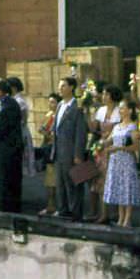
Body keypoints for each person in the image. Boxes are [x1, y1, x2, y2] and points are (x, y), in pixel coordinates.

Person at [51, 77, 87, 221]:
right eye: (60, 86)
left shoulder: (77, 106)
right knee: (60, 182)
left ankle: (75, 212)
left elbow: (80, 132)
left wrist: (78, 154)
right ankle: (63, 209)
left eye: (63, 86)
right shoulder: (60, 105)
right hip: (59, 150)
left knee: (73, 182)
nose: (60, 89)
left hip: (71, 150)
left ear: (71, 87)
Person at [102, 100, 140, 227]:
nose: (120, 110)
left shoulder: (133, 127)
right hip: (115, 161)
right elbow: (108, 141)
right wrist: (100, 144)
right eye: (120, 108)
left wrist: (118, 148)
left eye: (123, 108)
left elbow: (135, 147)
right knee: (119, 187)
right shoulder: (116, 127)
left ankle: (127, 219)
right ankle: (120, 218)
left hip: (126, 160)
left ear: (130, 110)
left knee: (127, 188)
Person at [0, 79, 24, 213]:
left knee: (8, 177)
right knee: (1, 177)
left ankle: (9, 207)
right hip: (3, 147)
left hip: (10, 147)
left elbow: (3, 128)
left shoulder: (9, 104)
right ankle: (1, 204)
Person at [90, 85, 122, 224]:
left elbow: (120, 130)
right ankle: (97, 212)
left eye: (105, 94)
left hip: (113, 147)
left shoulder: (119, 111)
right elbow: (93, 128)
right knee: (97, 179)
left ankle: (110, 213)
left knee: (109, 179)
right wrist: (89, 113)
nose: (103, 97)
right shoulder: (101, 110)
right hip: (100, 147)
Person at [6, 77, 35, 177]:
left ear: (13, 88)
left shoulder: (19, 101)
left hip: (19, 130)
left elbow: (22, 119)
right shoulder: (13, 99)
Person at [37, 93, 61, 216]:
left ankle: (57, 206)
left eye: (53, 102)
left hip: (57, 150)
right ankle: (50, 205)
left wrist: (47, 133)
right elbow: (42, 129)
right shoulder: (49, 115)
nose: (50, 104)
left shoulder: (60, 116)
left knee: (56, 180)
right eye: (50, 102)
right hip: (49, 148)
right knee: (49, 180)